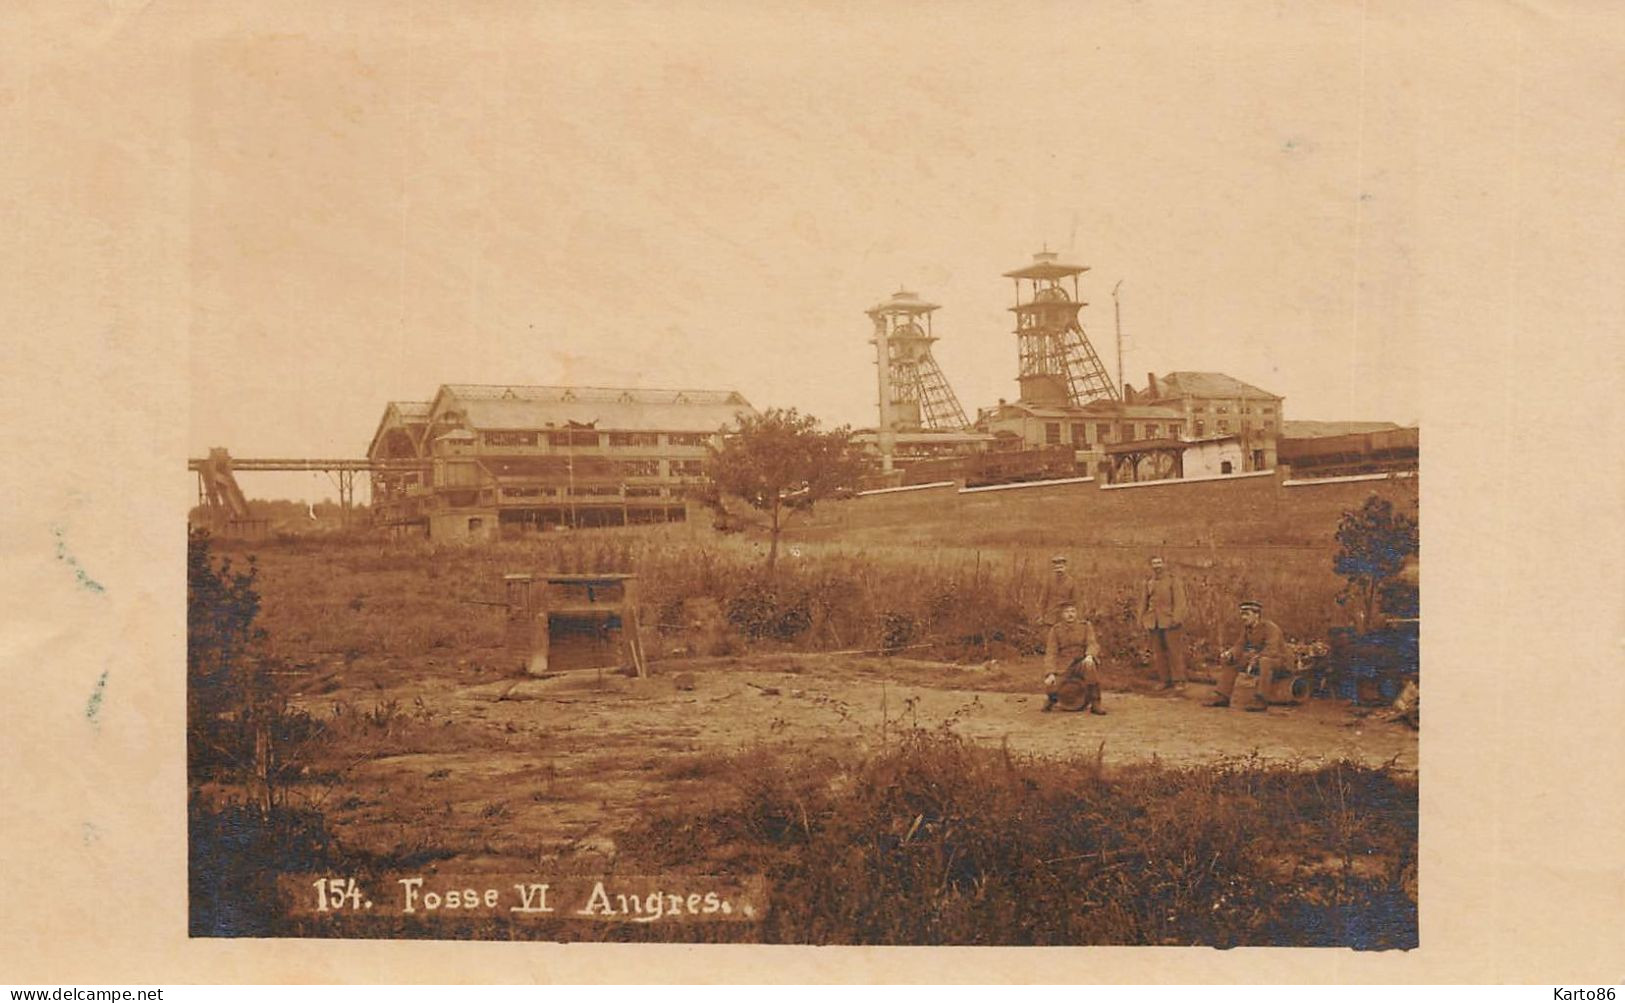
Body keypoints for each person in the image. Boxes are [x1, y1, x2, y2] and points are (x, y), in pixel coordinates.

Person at [1207, 600, 1290, 712]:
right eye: (1242, 614)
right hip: (1258, 660)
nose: (1243, 617)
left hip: (1280, 662)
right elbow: (1240, 645)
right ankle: (1223, 696)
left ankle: (1261, 699)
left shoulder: (1271, 628)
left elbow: (1272, 650)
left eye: (1247, 614)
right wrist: (1230, 653)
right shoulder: (1247, 629)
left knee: (1265, 661)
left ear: (1257, 615)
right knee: (1232, 661)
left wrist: (1255, 658)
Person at [1042, 601, 1105, 715]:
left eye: (1073, 611)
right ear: (1061, 614)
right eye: (1066, 612)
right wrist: (1050, 672)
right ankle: (1052, 698)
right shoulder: (1056, 630)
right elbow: (1051, 653)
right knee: (1051, 685)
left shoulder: (1085, 626)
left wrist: (1090, 655)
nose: (1070, 614)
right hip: (1064, 665)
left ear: (1077, 613)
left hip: (1081, 662)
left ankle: (1096, 702)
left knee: (1090, 666)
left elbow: (1092, 643)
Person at [1139, 555, 1189, 690]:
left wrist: (1176, 618)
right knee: (1158, 652)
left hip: (1170, 621)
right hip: (1153, 621)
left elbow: (1180, 602)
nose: (1157, 566)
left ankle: (1179, 680)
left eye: (1159, 563)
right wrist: (1141, 619)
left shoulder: (1173, 581)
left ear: (1164, 564)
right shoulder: (1149, 582)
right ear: (1151, 566)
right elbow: (1144, 602)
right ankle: (1165, 680)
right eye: (1154, 564)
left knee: (1174, 651)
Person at [1034, 554, 1080, 628]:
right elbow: (1043, 600)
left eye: (1061, 567)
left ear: (1065, 567)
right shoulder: (1048, 582)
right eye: (1056, 568)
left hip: (1065, 618)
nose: (1059, 570)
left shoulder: (1072, 582)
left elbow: (1076, 602)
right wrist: (1040, 616)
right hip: (1050, 617)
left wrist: (1075, 618)